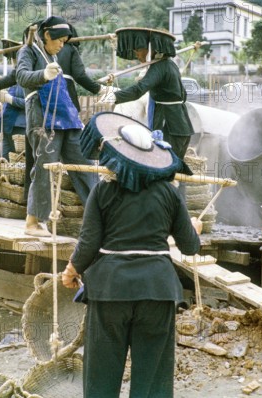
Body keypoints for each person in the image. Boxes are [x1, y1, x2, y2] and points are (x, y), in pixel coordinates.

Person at [62, 112, 201, 397]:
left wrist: (71, 270)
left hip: (111, 290)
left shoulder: (102, 192)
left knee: (101, 373)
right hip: (157, 290)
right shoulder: (170, 193)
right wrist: (195, 228)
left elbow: (88, 243)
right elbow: (190, 247)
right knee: (153, 377)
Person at [10, 16, 104, 236]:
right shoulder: (29, 51)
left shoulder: (53, 56)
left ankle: (101, 217)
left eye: (65, 41)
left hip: (67, 116)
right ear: (46, 35)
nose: (62, 45)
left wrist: (100, 88)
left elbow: (78, 77)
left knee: (85, 164)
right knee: (46, 167)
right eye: (60, 40)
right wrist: (43, 74)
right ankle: (32, 222)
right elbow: (22, 76)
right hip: (42, 116)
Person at [99, 28, 195, 162]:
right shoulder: (169, 65)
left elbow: (139, 89)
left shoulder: (159, 67)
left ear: (150, 49)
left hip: (170, 125)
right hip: (181, 124)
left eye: (138, 50)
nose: (137, 55)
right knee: (171, 167)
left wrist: (114, 96)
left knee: (165, 166)